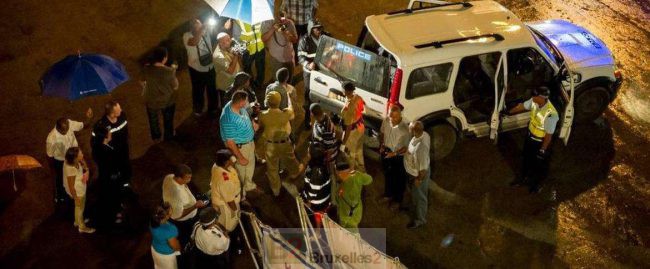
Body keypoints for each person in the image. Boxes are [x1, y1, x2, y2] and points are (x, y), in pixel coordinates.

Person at [507, 86, 559, 193]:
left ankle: (537, 184)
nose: (533, 97)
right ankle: (523, 178)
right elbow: (523, 106)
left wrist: (543, 150)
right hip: (530, 138)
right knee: (526, 159)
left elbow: (548, 135)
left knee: (540, 165)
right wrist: (508, 112)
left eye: (535, 96)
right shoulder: (534, 101)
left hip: (541, 143)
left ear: (542, 98)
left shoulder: (551, 114)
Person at [258, 91, 305, 197]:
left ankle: (275, 189)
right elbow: (292, 111)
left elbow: (260, 124)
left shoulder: (262, 115)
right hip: (284, 143)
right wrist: (288, 97)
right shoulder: (286, 114)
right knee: (291, 159)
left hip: (270, 145)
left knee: (272, 167)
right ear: (279, 102)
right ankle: (295, 172)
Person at [91, 101, 131, 225]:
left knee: (123, 174)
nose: (121, 110)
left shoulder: (122, 117)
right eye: (118, 109)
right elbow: (96, 150)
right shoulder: (100, 127)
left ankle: (123, 187)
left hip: (121, 155)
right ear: (112, 113)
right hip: (110, 168)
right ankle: (114, 210)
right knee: (111, 187)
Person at [46, 108, 93, 203]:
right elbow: (49, 155)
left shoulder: (69, 123)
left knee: (80, 172)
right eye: (64, 131)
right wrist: (53, 169)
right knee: (60, 179)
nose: (67, 132)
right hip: (61, 161)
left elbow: (83, 125)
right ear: (58, 128)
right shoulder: (51, 139)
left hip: (74, 155)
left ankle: (79, 190)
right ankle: (61, 196)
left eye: (67, 129)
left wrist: (89, 118)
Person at [220, 91, 260, 198]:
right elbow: (230, 142)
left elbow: (246, 114)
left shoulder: (236, 106)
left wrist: (253, 124)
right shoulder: (228, 119)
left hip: (248, 143)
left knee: (250, 165)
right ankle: (242, 195)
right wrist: (240, 157)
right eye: (246, 101)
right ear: (240, 102)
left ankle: (249, 185)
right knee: (240, 173)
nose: (247, 103)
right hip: (240, 148)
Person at [162, 164, 207, 247]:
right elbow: (178, 215)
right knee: (189, 232)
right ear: (179, 178)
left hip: (183, 206)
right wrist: (195, 206)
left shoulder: (170, 177)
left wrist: (183, 184)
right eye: (188, 178)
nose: (190, 180)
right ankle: (190, 243)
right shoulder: (176, 194)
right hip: (185, 220)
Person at [141, 46, 179, 142]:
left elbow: (142, 81)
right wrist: (174, 70)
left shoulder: (146, 68)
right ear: (164, 58)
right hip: (167, 101)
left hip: (151, 100)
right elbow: (175, 86)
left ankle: (156, 136)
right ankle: (168, 135)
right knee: (168, 120)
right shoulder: (169, 72)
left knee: (153, 120)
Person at [184, 18, 219, 116]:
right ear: (192, 27)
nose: (200, 25)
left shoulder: (206, 32)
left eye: (200, 23)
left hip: (210, 66)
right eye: (197, 24)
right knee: (198, 90)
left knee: (212, 88)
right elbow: (194, 42)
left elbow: (215, 37)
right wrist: (201, 30)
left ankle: (213, 108)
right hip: (196, 68)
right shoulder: (187, 36)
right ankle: (198, 109)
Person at [378, 104, 410, 211]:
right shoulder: (386, 120)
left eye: (394, 117)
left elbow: (406, 148)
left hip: (398, 157)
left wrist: (394, 153)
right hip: (386, 152)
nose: (392, 119)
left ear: (400, 116)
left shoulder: (405, 129)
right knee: (388, 175)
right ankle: (388, 195)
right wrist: (382, 144)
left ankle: (397, 200)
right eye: (390, 116)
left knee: (399, 180)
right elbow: (382, 132)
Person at [403, 121, 431, 229]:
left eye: (410, 128)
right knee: (415, 194)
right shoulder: (424, 134)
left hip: (418, 175)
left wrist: (419, 180)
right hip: (413, 172)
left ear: (414, 131)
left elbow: (423, 169)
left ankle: (420, 220)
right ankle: (413, 209)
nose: (408, 129)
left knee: (420, 196)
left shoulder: (421, 148)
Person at [298, 19, 325, 129]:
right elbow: (300, 57)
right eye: (316, 28)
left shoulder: (325, 38)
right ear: (311, 29)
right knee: (308, 95)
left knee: (323, 94)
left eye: (320, 28)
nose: (319, 30)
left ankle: (321, 117)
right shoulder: (304, 41)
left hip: (321, 72)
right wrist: (307, 64)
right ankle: (307, 118)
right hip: (309, 73)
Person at [63, 147, 95, 233]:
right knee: (80, 208)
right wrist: (76, 198)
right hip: (78, 192)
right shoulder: (71, 169)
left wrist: (83, 163)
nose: (83, 155)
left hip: (81, 187)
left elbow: (83, 163)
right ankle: (82, 227)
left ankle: (77, 221)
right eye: (80, 154)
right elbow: (71, 186)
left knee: (78, 208)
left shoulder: (76, 162)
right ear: (75, 157)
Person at [334, 161, 372, 233]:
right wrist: (358, 173)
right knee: (354, 227)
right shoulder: (357, 175)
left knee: (350, 232)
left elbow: (337, 200)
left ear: (339, 173)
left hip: (345, 214)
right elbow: (369, 179)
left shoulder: (340, 188)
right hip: (357, 211)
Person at [227, 18, 266, 89]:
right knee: (247, 69)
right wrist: (244, 45)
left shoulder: (258, 17)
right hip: (247, 50)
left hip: (260, 47)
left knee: (261, 69)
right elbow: (236, 37)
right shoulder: (238, 20)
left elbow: (262, 30)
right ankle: (251, 86)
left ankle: (259, 85)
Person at [301, 145, 331, 228]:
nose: (307, 154)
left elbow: (313, 190)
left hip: (318, 203)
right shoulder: (322, 165)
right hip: (324, 197)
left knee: (318, 217)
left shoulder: (316, 172)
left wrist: (308, 202)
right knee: (322, 215)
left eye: (308, 152)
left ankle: (318, 232)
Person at [261, 15, 298, 84]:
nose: (281, 20)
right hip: (276, 59)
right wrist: (273, 29)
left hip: (289, 57)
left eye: (283, 17)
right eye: (279, 17)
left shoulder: (289, 23)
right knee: (277, 79)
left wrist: (285, 32)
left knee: (289, 77)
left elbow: (295, 40)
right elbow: (263, 38)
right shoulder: (266, 22)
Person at [340, 81, 366, 172]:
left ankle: (353, 174)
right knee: (359, 151)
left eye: (342, 89)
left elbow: (348, 128)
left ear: (346, 91)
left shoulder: (349, 108)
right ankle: (362, 171)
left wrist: (343, 144)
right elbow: (362, 109)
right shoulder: (358, 97)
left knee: (350, 155)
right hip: (360, 127)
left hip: (352, 133)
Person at [150, 203, 181, 269]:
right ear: (167, 216)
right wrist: (179, 248)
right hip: (166, 256)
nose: (172, 209)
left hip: (155, 249)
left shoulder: (153, 221)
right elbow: (174, 246)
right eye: (170, 209)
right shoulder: (171, 229)